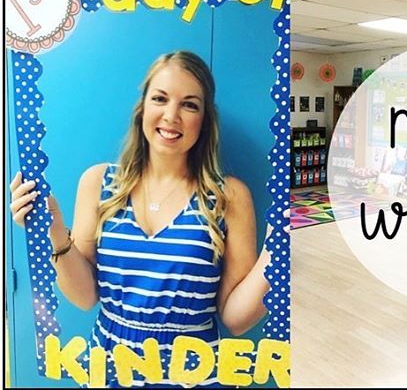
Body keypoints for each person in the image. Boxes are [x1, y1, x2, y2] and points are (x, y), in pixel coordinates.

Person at [11, 51, 275, 387]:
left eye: (190, 104)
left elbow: (235, 319)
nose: (171, 115)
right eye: (160, 99)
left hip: (194, 375)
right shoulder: (98, 183)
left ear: (205, 119)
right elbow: (85, 297)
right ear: (143, 109)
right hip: (110, 369)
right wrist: (53, 233)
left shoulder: (229, 196)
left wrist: (276, 253)